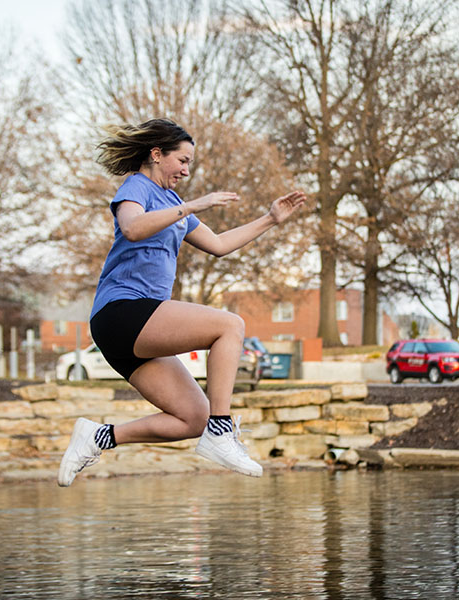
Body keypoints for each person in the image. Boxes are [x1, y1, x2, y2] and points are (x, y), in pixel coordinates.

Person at [57, 118, 306, 487]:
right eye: (183, 161)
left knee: (192, 417)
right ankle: (222, 432)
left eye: (190, 164)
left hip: (138, 328)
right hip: (121, 312)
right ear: (157, 155)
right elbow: (132, 227)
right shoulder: (136, 187)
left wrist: (270, 219)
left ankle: (98, 437)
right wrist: (192, 205)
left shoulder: (172, 202)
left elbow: (219, 245)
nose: (186, 171)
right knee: (230, 325)